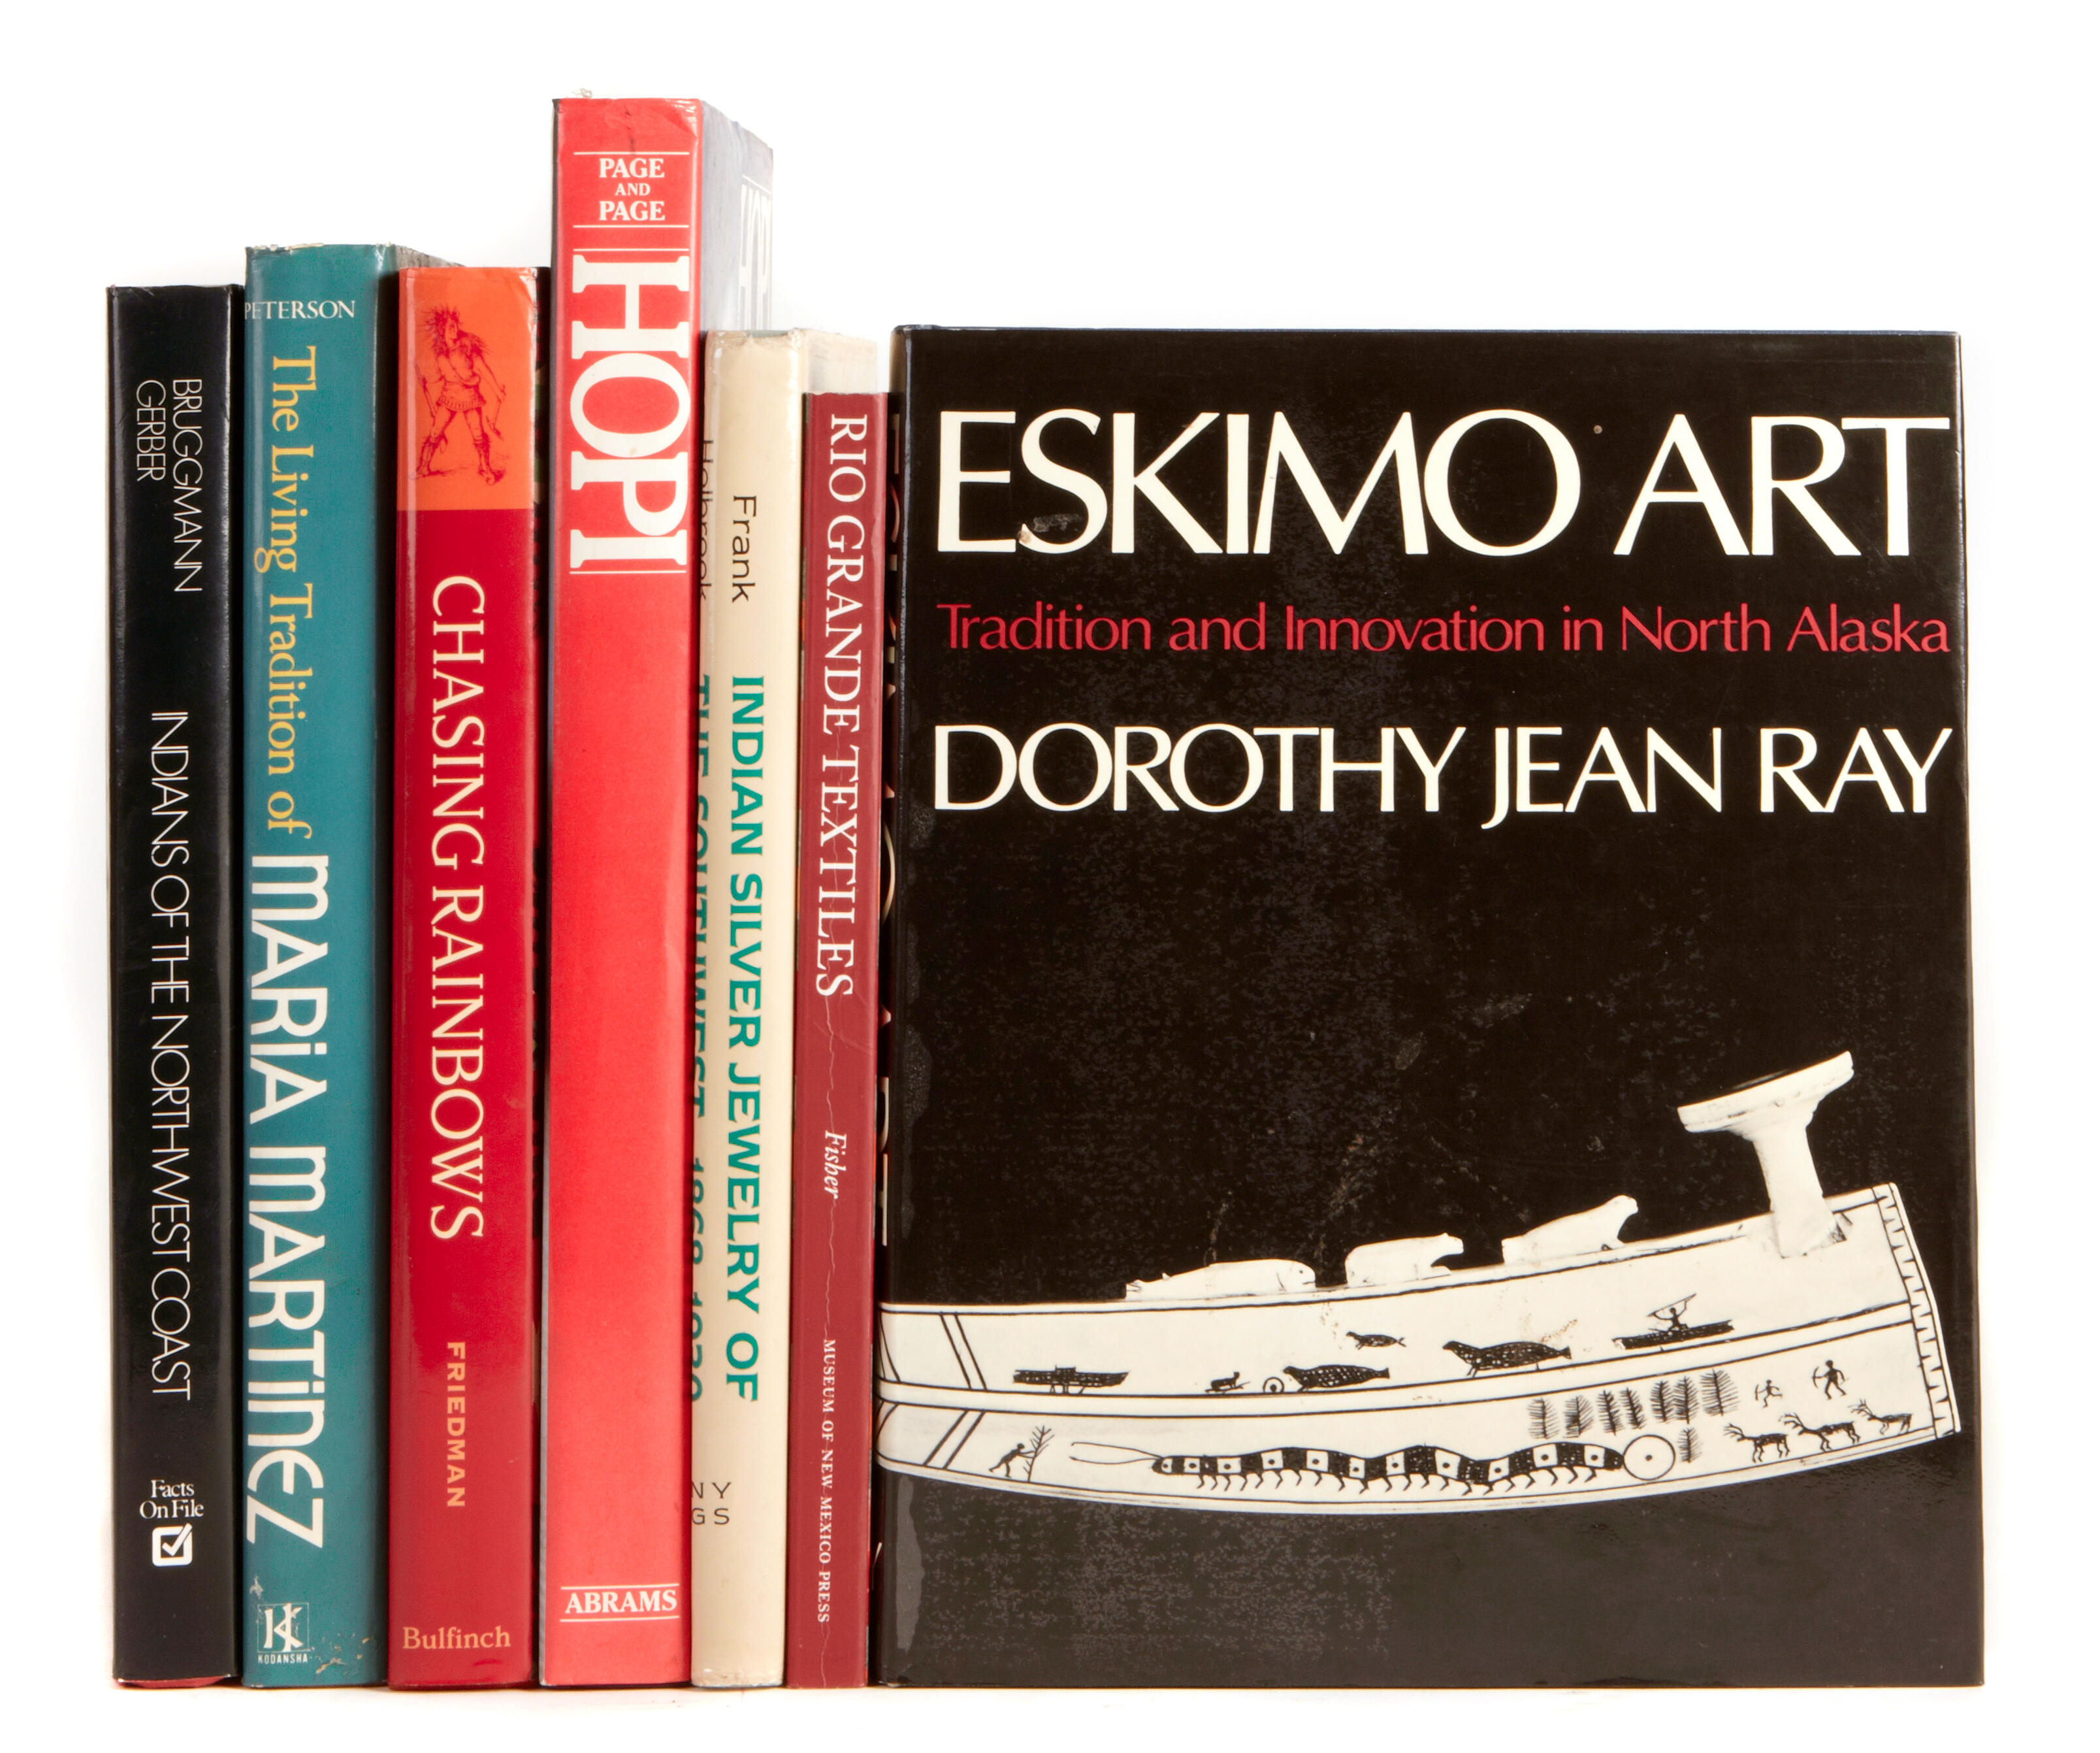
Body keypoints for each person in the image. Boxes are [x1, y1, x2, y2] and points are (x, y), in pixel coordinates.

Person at [417, 306, 505, 483]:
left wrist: (497, 391)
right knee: (435, 432)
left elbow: (482, 369)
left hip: (470, 396)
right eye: (450, 326)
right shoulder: (441, 353)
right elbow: (443, 375)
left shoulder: (467, 347)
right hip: (449, 396)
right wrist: (428, 382)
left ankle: (485, 468)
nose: (455, 329)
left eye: (456, 325)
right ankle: (423, 467)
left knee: (478, 434)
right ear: (442, 329)